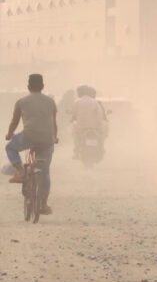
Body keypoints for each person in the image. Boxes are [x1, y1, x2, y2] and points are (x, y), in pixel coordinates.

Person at [5, 74, 58, 215]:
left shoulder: (21, 101)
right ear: (43, 87)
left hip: (28, 137)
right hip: (47, 139)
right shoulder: (50, 102)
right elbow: (53, 123)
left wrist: (9, 134)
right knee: (45, 170)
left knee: (9, 147)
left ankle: (21, 171)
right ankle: (44, 204)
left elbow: (14, 122)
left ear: (28, 87)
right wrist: (55, 137)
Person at [71, 85, 105, 159]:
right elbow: (99, 115)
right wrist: (99, 125)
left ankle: (76, 152)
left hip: (80, 127)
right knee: (100, 137)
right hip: (94, 127)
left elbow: (73, 114)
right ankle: (101, 149)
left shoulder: (77, 102)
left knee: (76, 137)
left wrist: (72, 119)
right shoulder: (95, 102)